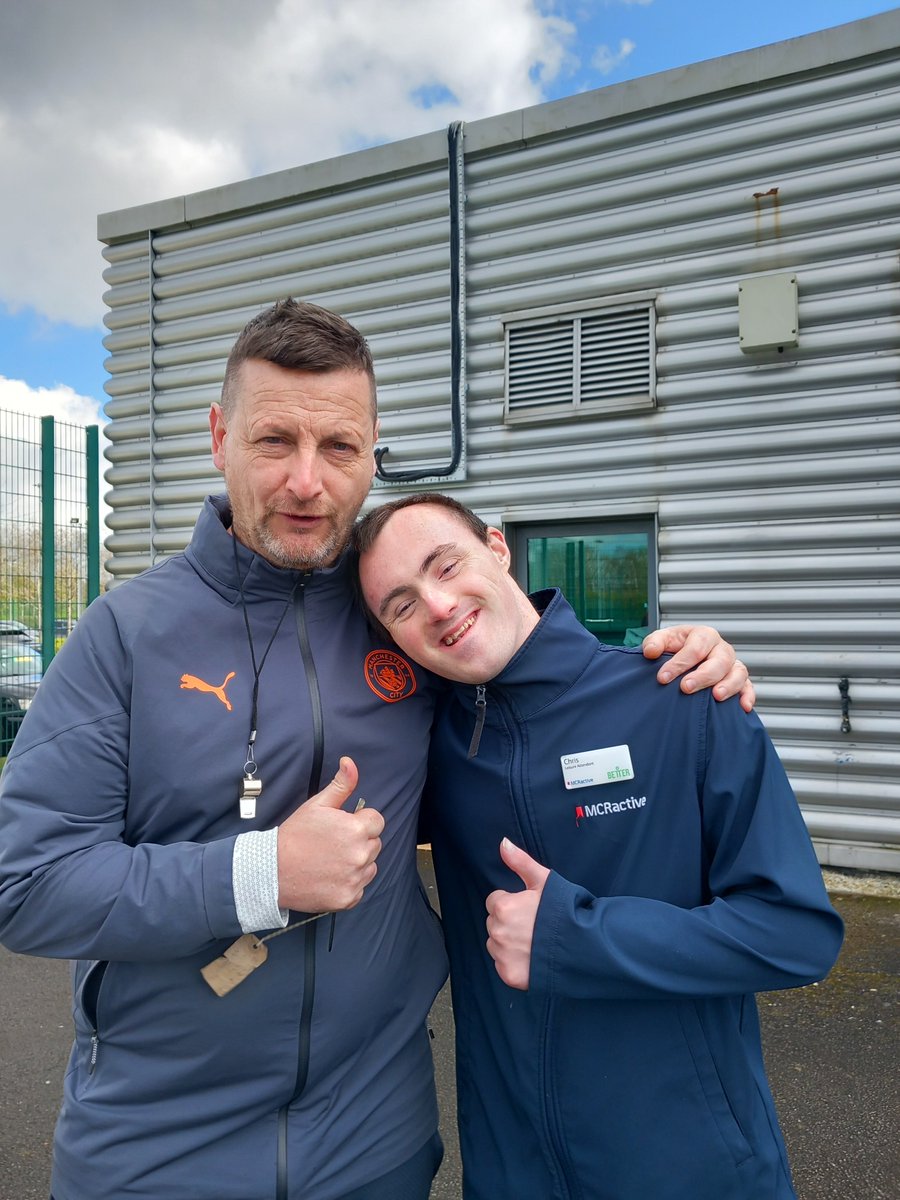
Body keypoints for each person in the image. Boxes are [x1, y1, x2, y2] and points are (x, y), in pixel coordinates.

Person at [0, 299, 749, 1200]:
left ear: (373, 451)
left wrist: (665, 674)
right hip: (158, 1149)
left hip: (374, 1145)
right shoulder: (125, 635)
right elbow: (27, 884)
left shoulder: (402, 620)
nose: (307, 482)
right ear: (219, 436)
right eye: (275, 440)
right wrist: (261, 874)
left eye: (341, 449)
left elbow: (541, 710)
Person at [354, 493, 845, 1200]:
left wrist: (575, 939)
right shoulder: (427, 752)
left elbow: (796, 933)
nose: (435, 605)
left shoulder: (682, 701)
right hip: (511, 1173)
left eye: (446, 565)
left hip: (694, 1173)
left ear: (498, 549)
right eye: (400, 605)